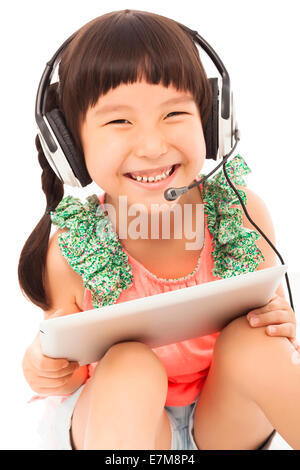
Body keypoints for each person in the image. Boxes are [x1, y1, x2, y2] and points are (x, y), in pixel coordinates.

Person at [19, 9, 300, 451]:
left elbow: (273, 326)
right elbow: (62, 360)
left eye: (174, 114)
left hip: (223, 420)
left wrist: (281, 324)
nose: (152, 146)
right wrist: (44, 366)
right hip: (123, 426)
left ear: (213, 123)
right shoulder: (73, 250)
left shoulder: (241, 217)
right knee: (130, 364)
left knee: (256, 344)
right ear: (70, 147)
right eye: (119, 121)